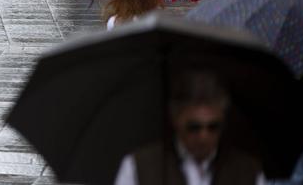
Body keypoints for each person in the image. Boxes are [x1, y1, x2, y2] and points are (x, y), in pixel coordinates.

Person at [114, 71, 266, 184]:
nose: (203, 136)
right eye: (194, 127)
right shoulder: (140, 166)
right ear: (175, 119)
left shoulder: (247, 170)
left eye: (213, 127)